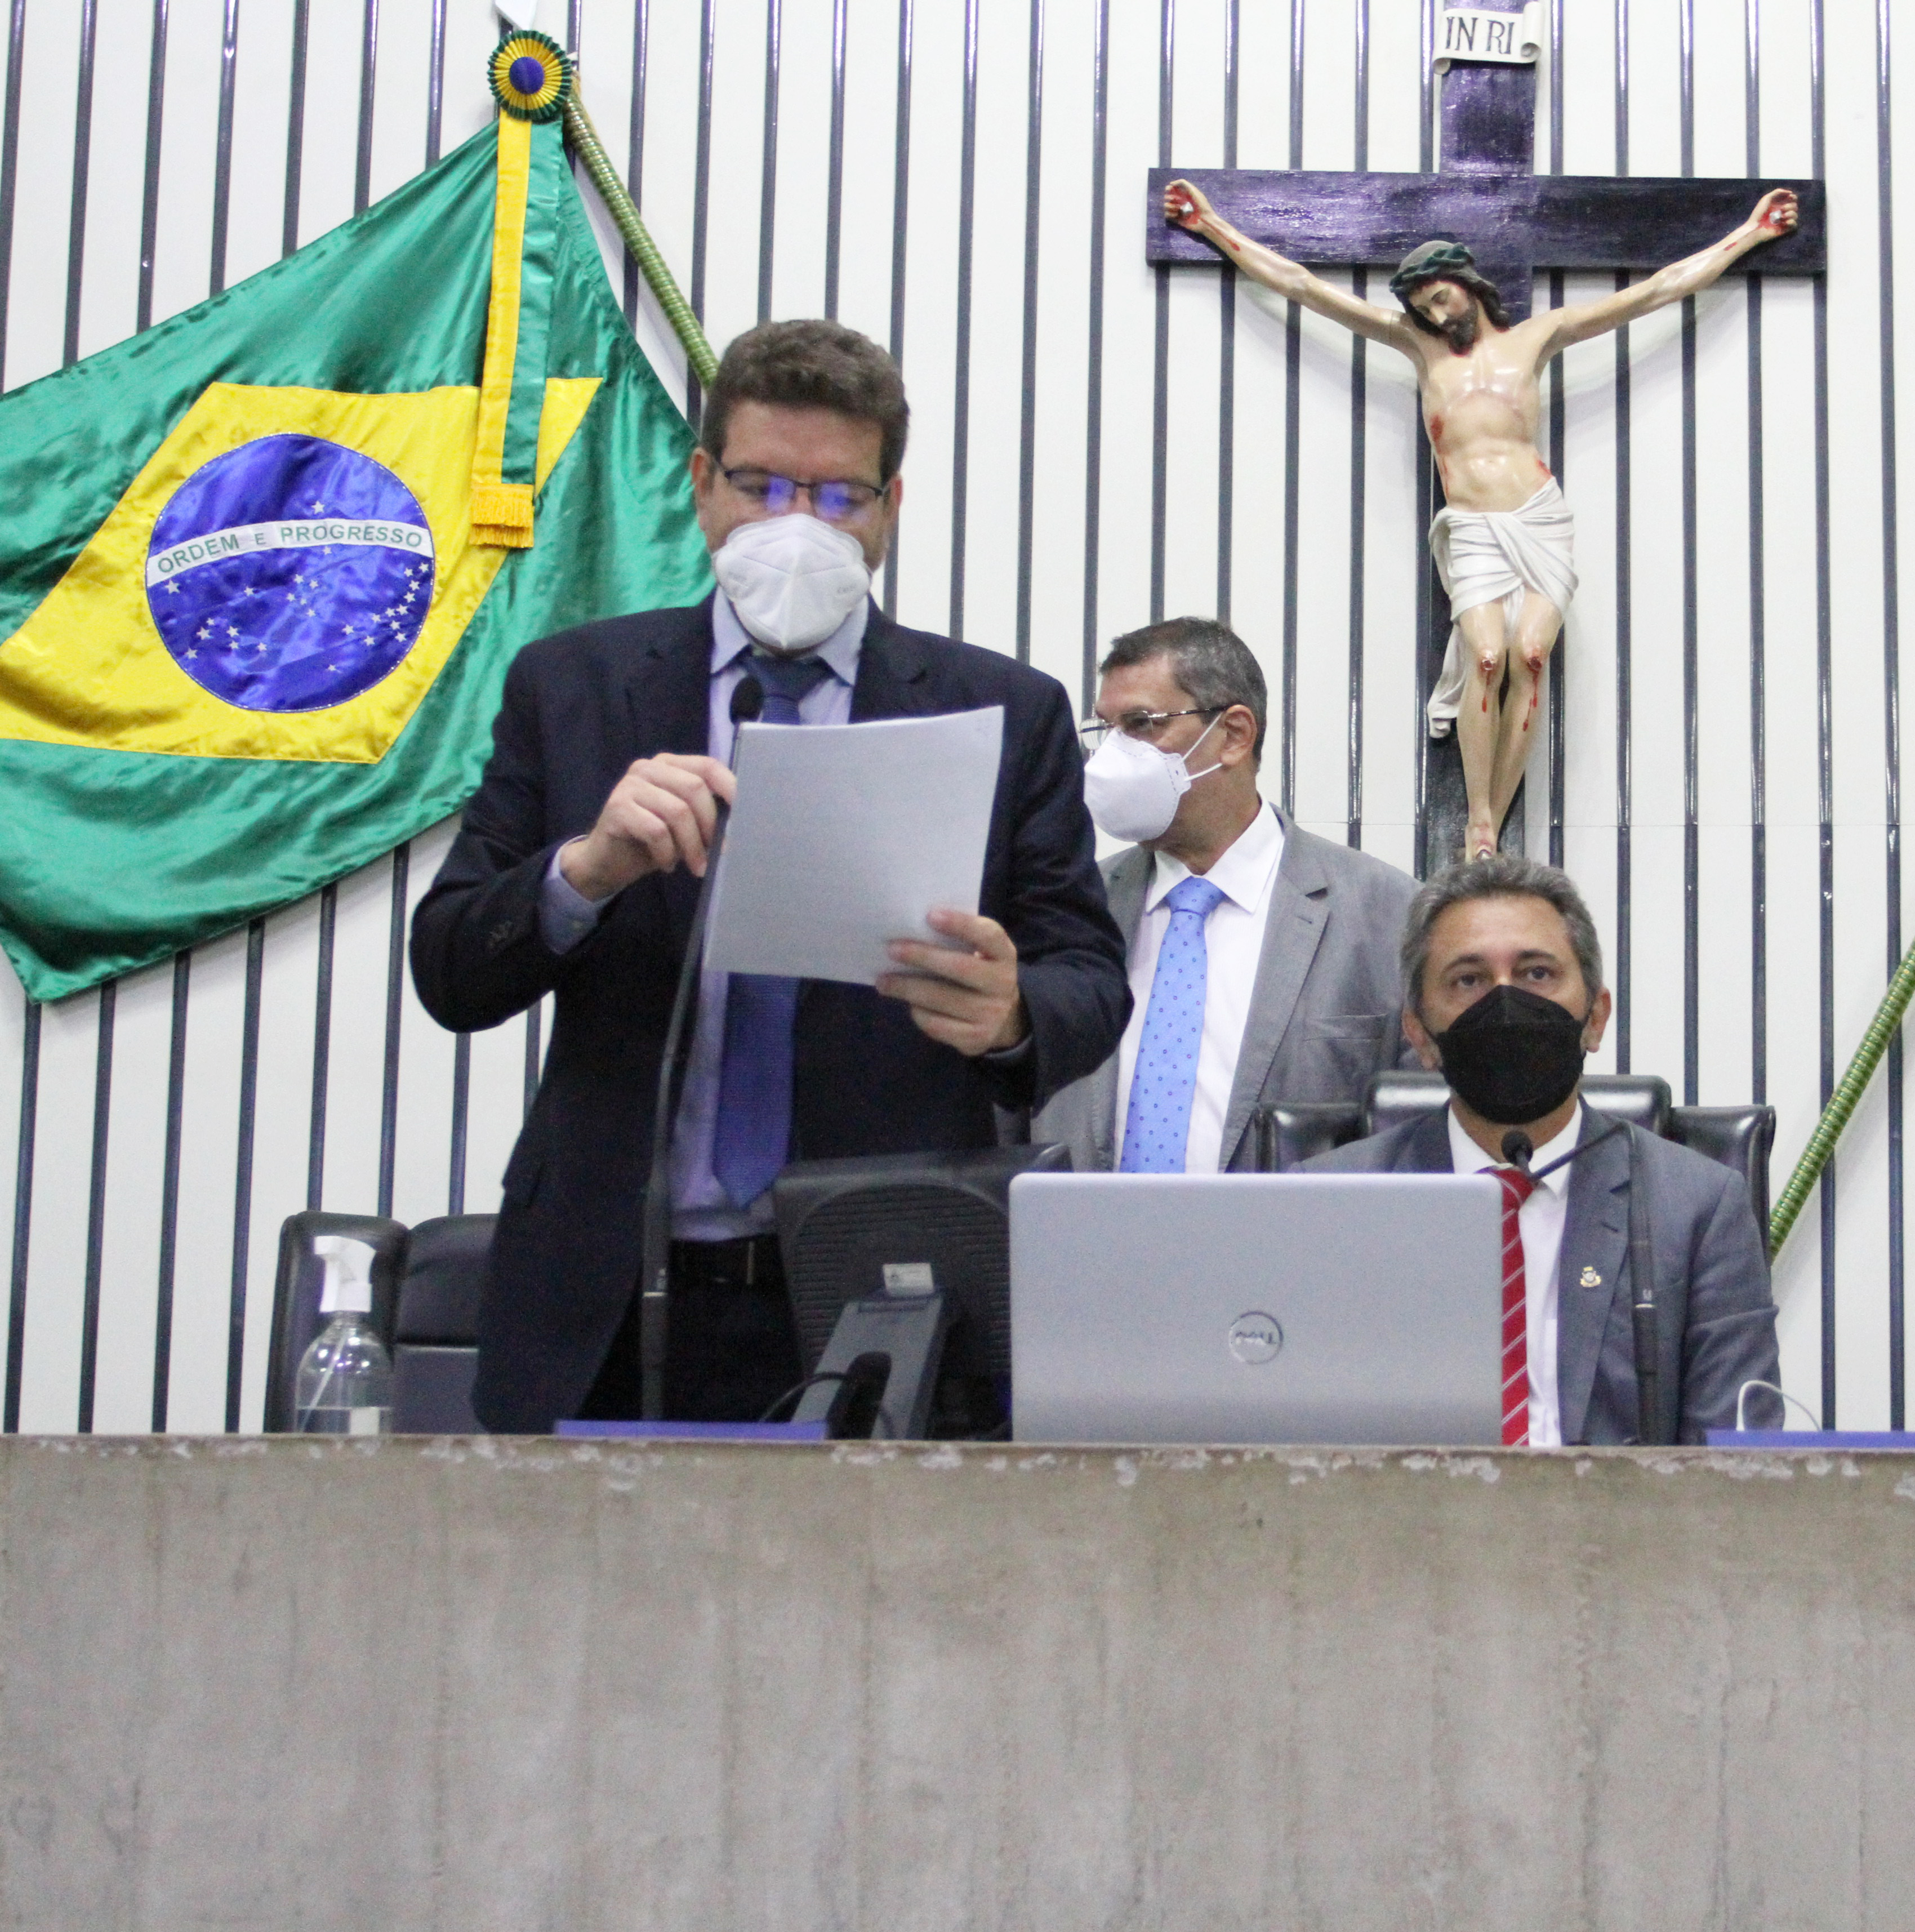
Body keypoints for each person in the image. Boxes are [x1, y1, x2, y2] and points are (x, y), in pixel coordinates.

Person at [410, 319, 1128, 1434]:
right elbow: (452, 970)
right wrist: (585, 872)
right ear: (702, 486)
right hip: (603, 1295)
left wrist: (1012, 1015)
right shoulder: (574, 686)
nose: (797, 526)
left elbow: (1087, 978)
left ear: (890, 508)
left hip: (881, 1298)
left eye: (838, 497)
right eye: (760, 488)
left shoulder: (1001, 709)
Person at [1161, 179, 1800, 858]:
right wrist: (1212, 226)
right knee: (1488, 657)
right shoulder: (1418, 347)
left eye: (1441, 298)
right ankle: (1480, 817)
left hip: (1537, 518)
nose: (1436, 315)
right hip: (1470, 527)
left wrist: (1751, 233)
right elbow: (1304, 287)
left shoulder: (1538, 338)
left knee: (1531, 656)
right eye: (1423, 308)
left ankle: (1494, 818)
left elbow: (1656, 291)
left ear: (1468, 284)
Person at [1299, 853, 1780, 1444]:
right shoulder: (1328, 1205)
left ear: (1595, 1017)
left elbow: (1738, 1462)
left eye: (1537, 974)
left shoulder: (1699, 1208)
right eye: (1468, 980)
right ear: (1419, 1035)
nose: (1505, 1005)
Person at [1035, 617, 1418, 1173]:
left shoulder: (1391, 915)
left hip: (1296, 1228)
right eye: (1106, 730)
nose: (1112, 756)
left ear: (1235, 734)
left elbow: (1423, 1136)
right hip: (1080, 1228)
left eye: (1141, 725)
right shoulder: (1068, 908)